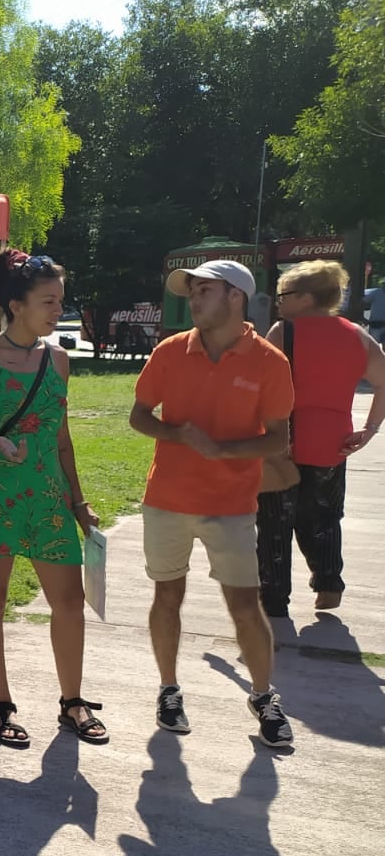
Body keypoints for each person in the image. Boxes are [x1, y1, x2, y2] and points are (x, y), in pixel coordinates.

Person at [131, 260, 295, 748]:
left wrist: (223, 450)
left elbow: (277, 440)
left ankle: (264, 697)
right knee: (167, 597)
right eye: (193, 292)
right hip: (167, 499)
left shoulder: (269, 362)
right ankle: (168, 690)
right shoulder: (170, 351)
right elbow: (140, 416)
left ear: (236, 298)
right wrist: (174, 433)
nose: (194, 300)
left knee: (245, 606)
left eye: (205, 290)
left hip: (231, 505)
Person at [0, 250, 104, 747]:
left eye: (60, 300)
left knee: (70, 603)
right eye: (48, 301)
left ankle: (72, 701)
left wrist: (78, 503)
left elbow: (60, 437)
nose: (58, 311)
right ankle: (0, 703)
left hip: (47, 500)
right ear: (17, 305)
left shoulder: (58, 360)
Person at [255, 261, 385, 616]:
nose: (278, 301)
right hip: (333, 442)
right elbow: (383, 382)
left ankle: (274, 598)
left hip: (284, 442)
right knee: (325, 517)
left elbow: (258, 383)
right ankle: (328, 585)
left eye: (285, 295)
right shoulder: (357, 335)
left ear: (308, 298)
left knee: (273, 522)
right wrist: (370, 429)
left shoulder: (284, 332)